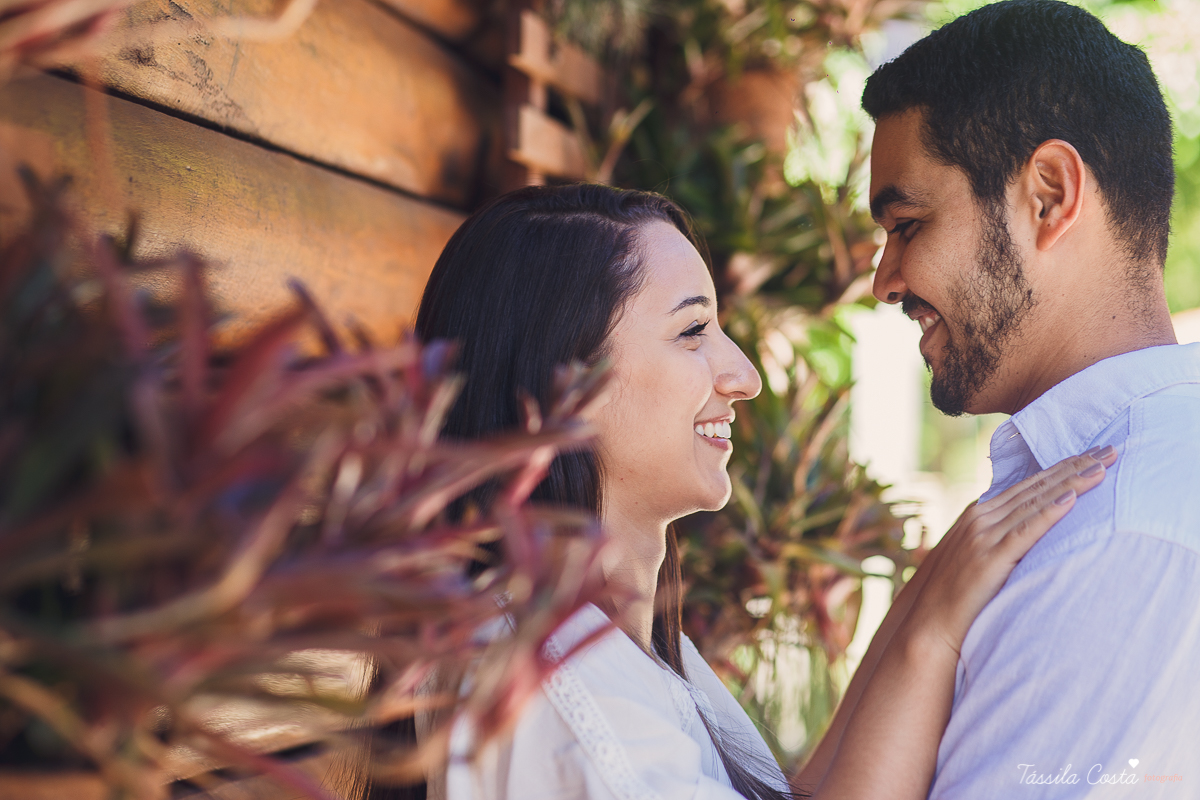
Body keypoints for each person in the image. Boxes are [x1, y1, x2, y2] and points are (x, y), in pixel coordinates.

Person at [406, 182, 1115, 800]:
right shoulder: (563, 690)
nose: (744, 376)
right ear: (560, 385)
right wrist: (931, 635)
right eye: (692, 331)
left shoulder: (620, 655)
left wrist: (925, 598)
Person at [861, 0, 1200, 794]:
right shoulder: (1106, 491)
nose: (884, 281)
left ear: (1049, 195)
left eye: (906, 224)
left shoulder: (1112, 538)